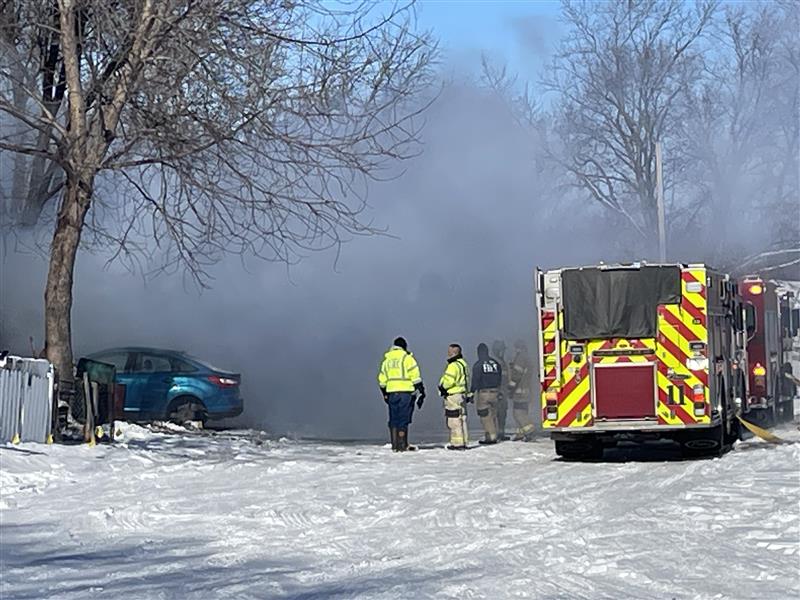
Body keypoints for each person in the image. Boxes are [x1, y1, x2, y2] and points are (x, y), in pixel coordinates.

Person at [377, 337, 425, 452]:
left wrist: (384, 393)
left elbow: (382, 380)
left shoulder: (386, 360)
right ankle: (402, 444)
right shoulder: (407, 358)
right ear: (404, 346)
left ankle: (394, 445)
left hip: (391, 393)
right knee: (403, 419)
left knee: (394, 418)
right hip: (406, 393)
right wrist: (422, 391)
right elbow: (415, 377)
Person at [438, 343, 470, 450]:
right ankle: (464, 441)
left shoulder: (453, 366)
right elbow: (467, 381)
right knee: (462, 419)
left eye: (449, 351)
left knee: (454, 420)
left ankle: (457, 443)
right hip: (462, 395)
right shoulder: (464, 364)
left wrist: (442, 387)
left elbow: (449, 381)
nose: (448, 353)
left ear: (454, 353)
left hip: (453, 396)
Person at [472, 343, 502, 444]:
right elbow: (500, 378)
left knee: (485, 416)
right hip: (495, 392)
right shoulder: (496, 363)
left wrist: (471, 392)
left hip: (484, 393)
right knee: (493, 415)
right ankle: (495, 434)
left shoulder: (478, 364)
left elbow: (475, 379)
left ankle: (491, 437)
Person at [508, 339, 535, 441]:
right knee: (523, 412)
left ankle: (529, 431)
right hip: (526, 390)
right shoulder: (527, 357)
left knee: (518, 413)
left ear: (517, 348)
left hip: (519, 391)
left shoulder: (520, 358)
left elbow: (517, 375)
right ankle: (520, 433)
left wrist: (510, 388)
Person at [492, 340, 510, 440]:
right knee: (497, 413)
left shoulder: (501, 361)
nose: (503, 352)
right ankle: (495, 433)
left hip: (503, 391)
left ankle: (501, 433)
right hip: (499, 391)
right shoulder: (496, 362)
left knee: (502, 414)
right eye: (501, 350)